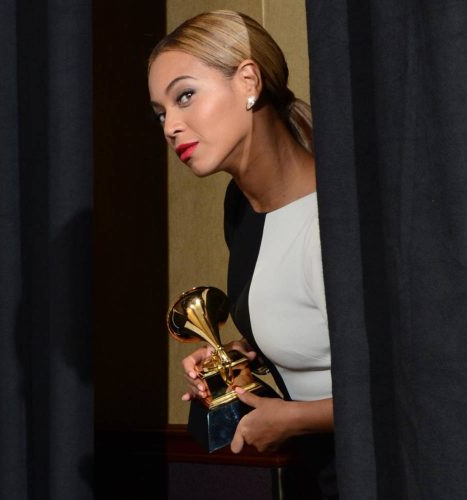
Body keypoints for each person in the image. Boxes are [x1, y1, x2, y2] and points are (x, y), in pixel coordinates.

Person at [147, 10, 336, 498]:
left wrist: (292, 419)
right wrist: (235, 366)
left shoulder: (342, 218)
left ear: (248, 81)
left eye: (185, 96)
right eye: (161, 112)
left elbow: (418, 380)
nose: (171, 126)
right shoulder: (243, 209)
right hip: (310, 478)